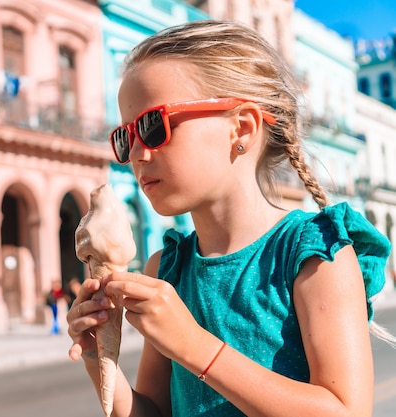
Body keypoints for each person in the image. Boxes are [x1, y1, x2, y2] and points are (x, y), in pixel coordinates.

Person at [66, 20, 394, 417]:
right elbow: (154, 410)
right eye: (124, 136)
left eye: (153, 126)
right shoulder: (166, 268)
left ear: (241, 127)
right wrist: (101, 363)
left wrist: (193, 345)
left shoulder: (314, 254)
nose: (136, 152)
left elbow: (347, 412)